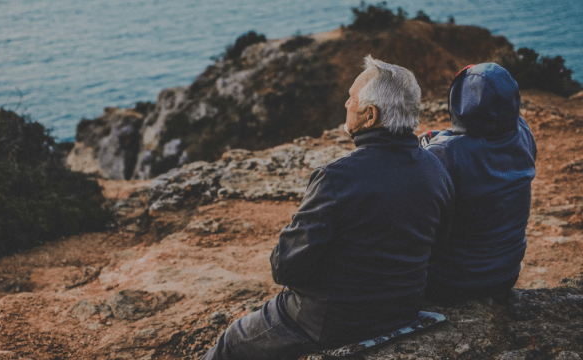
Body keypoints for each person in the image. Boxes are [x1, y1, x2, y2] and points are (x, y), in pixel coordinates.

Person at [201, 56, 454, 360]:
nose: (346, 104)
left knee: (230, 343)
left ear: (370, 115)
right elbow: (439, 245)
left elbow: (284, 267)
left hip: (329, 321)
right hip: (404, 309)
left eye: (350, 98)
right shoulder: (436, 169)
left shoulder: (337, 178)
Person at [421, 63, 537, 305]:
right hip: (506, 274)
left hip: (451, 282)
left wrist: (429, 145)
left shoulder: (443, 154)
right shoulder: (523, 133)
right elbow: (482, 140)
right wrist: (442, 137)